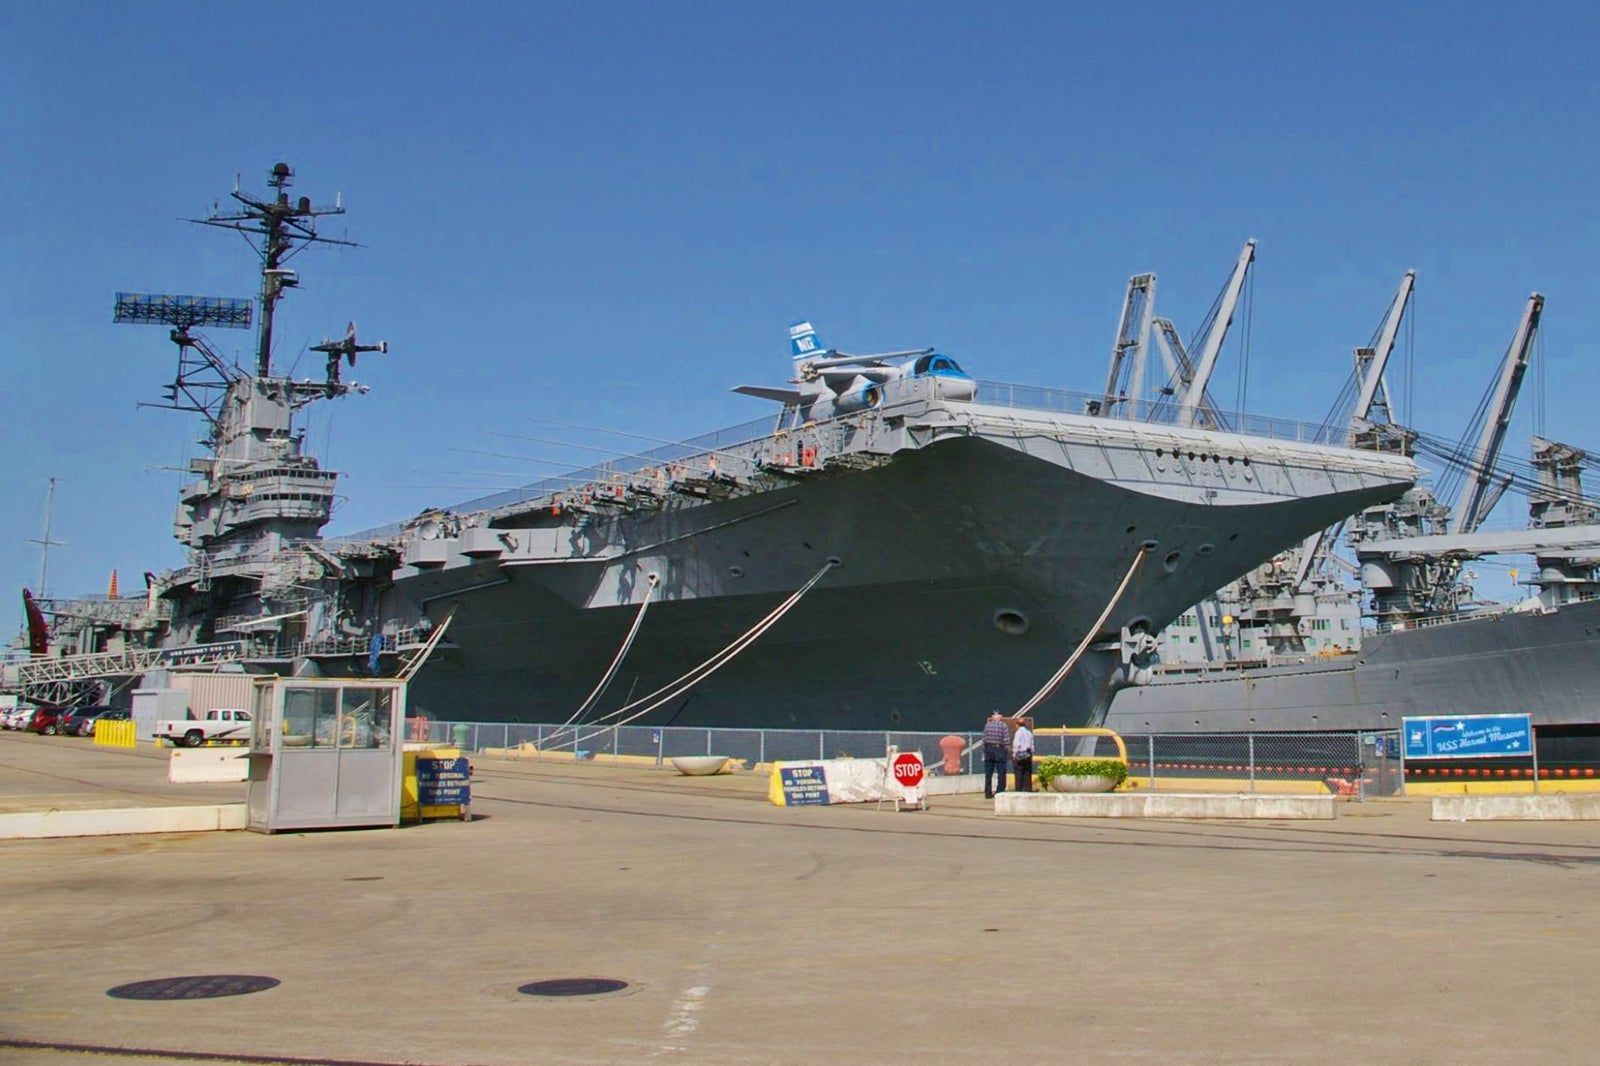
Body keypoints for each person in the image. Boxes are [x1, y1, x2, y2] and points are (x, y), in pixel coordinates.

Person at [981, 711, 1010, 798]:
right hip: (999, 749)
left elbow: (984, 739)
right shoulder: (1003, 725)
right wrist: (1006, 750)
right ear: (1000, 717)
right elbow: (1006, 740)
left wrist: (984, 751)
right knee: (1001, 771)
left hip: (988, 749)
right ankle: (1000, 791)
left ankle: (988, 792)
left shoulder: (987, 725)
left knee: (988, 772)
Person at [1011, 719, 1035, 793]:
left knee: (1018, 773)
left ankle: (1019, 790)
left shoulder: (1018, 733)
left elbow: (1016, 744)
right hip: (1028, 754)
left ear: (1017, 725)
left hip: (1020, 754)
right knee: (1027, 773)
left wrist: (1014, 754)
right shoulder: (1029, 732)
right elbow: (1032, 745)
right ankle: (1027, 789)